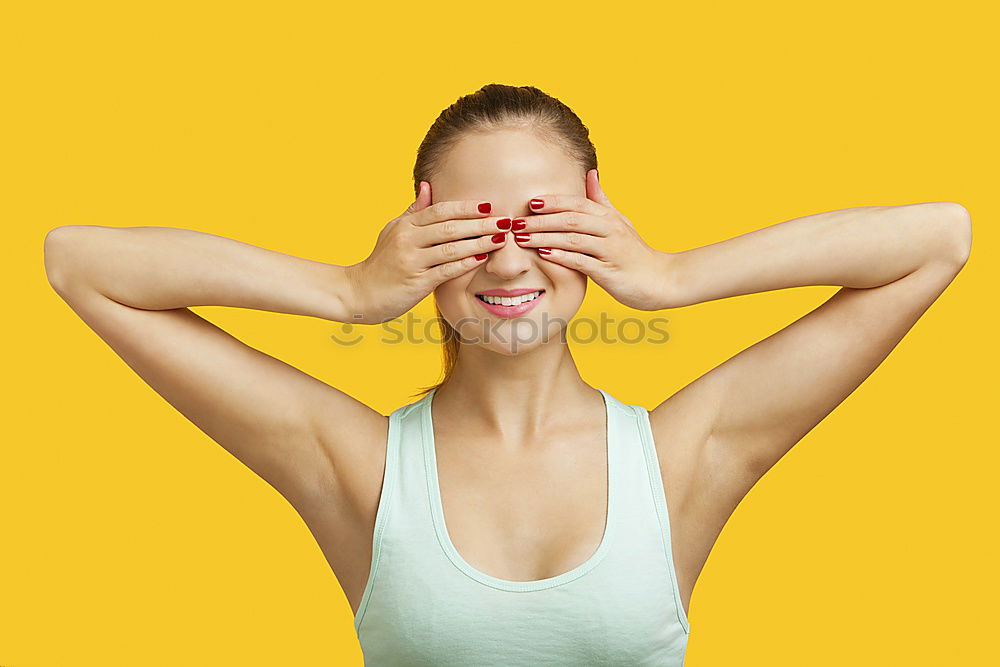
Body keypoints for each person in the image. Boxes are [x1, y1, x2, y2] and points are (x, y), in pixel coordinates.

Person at [42, 84, 972, 666]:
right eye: (471, 228)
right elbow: (80, 262)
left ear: (598, 228)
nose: (508, 262)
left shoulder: (685, 454)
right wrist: (346, 291)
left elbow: (938, 239)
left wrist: (672, 276)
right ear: (420, 238)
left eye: (544, 223)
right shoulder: (354, 463)